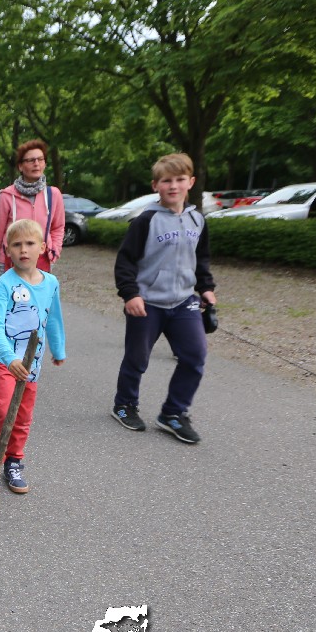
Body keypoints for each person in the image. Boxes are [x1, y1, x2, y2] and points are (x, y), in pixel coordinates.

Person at [111, 152, 217, 444]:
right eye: (166, 181)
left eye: (180, 180)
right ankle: (124, 404)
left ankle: (173, 413)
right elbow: (125, 262)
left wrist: (206, 287)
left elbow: (201, 259)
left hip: (184, 302)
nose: (173, 186)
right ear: (155, 185)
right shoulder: (145, 221)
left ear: (190, 182)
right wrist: (131, 294)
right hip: (147, 303)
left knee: (195, 356)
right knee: (137, 358)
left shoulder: (197, 219)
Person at [0, 220, 67, 495]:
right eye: (16, 245)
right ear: (7, 250)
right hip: (3, 359)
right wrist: (9, 358)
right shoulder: (4, 284)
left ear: (42, 247)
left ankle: (14, 461)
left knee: (23, 415)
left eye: (30, 243)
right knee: (4, 409)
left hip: (32, 362)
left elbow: (54, 318)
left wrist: (58, 349)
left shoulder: (51, 282)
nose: (23, 250)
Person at [0, 139, 66, 287]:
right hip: (12, 262)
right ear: (20, 166)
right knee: (14, 301)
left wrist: (55, 251)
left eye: (40, 159)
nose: (36, 163)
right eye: (31, 160)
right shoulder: (7, 196)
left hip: (42, 261)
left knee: (40, 301)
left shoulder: (53, 194)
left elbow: (58, 227)